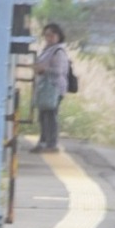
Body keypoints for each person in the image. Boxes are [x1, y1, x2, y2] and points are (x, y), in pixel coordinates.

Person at [32, 22, 70, 152]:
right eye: (47, 35)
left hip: (54, 87)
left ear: (58, 36)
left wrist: (43, 68)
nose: (49, 38)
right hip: (46, 87)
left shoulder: (58, 51)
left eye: (52, 35)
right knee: (43, 116)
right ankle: (43, 142)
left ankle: (51, 144)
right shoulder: (47, 49)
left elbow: (59, 71)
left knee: (50, 116)